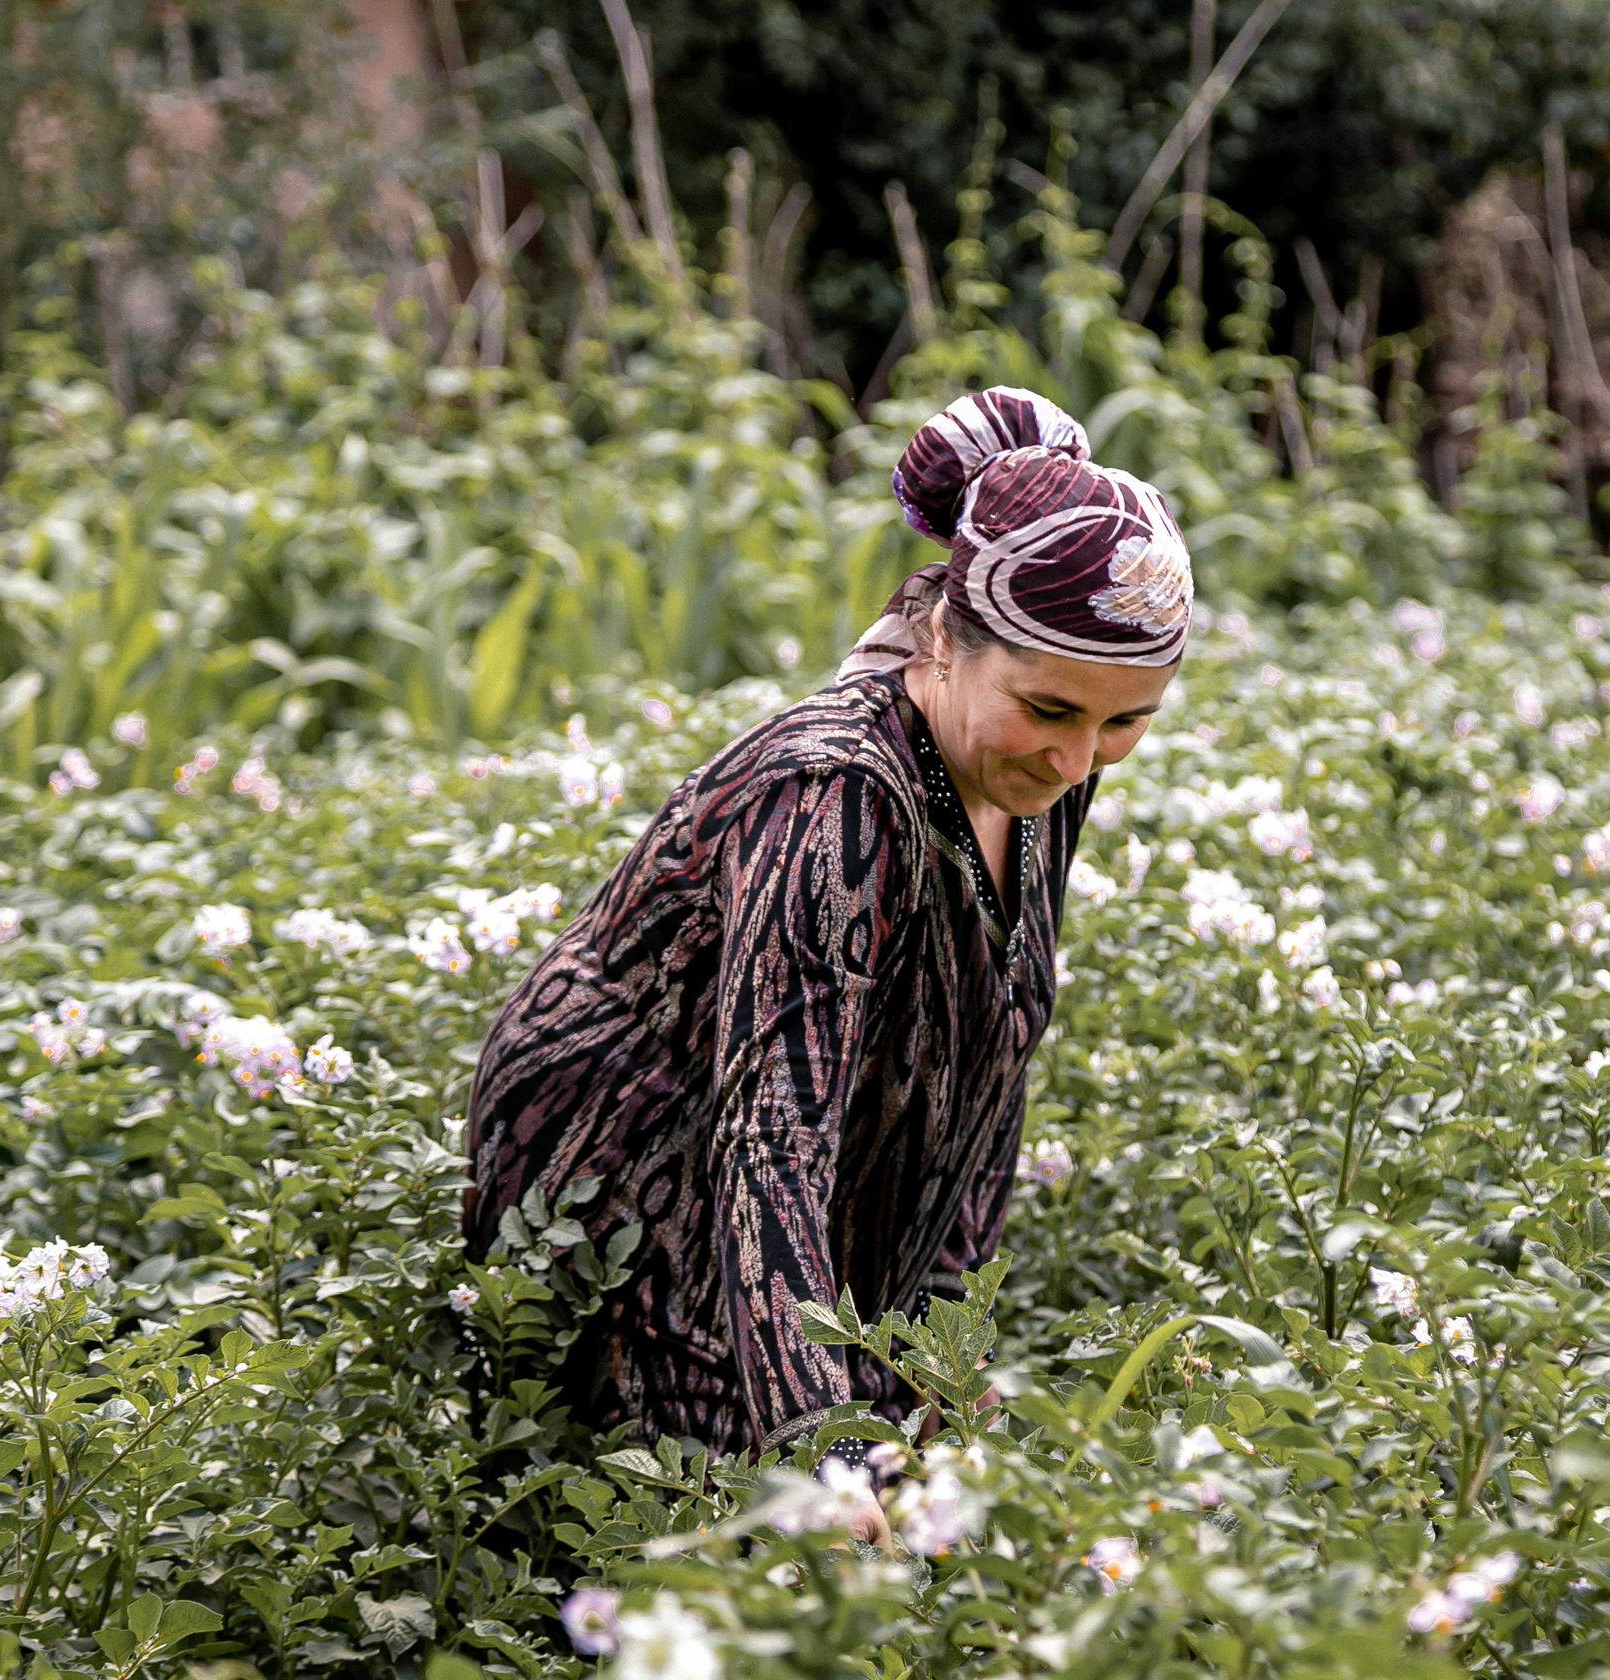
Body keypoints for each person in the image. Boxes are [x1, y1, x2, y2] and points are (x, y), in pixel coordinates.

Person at [462, 386, 1189, 1542]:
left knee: (893, 1497)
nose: (1075, 757)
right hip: (636, 1162)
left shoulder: (1042, 767)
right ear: (945, 638)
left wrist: (946, 1358)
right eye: (1048, 709)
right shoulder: (834, 791)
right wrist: (832, 1449)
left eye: (1125, 723)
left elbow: (991, 1059)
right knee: (697, 1530)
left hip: (813, 1145)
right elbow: (771, 1142)